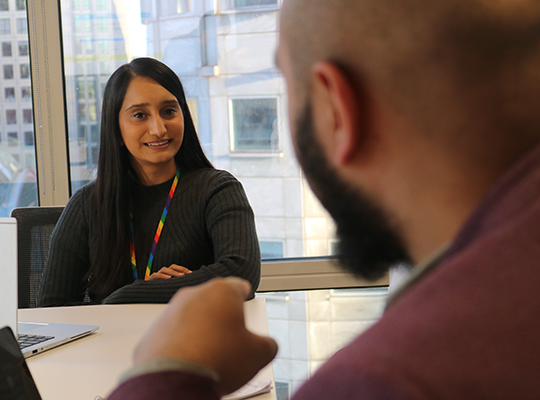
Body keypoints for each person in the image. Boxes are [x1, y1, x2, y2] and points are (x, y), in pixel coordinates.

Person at [108, 0, 540, 398]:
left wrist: (163, 375)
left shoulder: (381, 381)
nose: (158, 129)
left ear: (337, 108)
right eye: (139, 115)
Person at [38, 57, 261, 306]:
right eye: (140, 115)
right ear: (117, 129)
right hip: (111, 343)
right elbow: (52, 307)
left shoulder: (218, 189)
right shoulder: (87, 204)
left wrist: (128, 297)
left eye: (169, 111)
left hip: (192, 342)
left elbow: (242, 273)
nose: (158, 129)